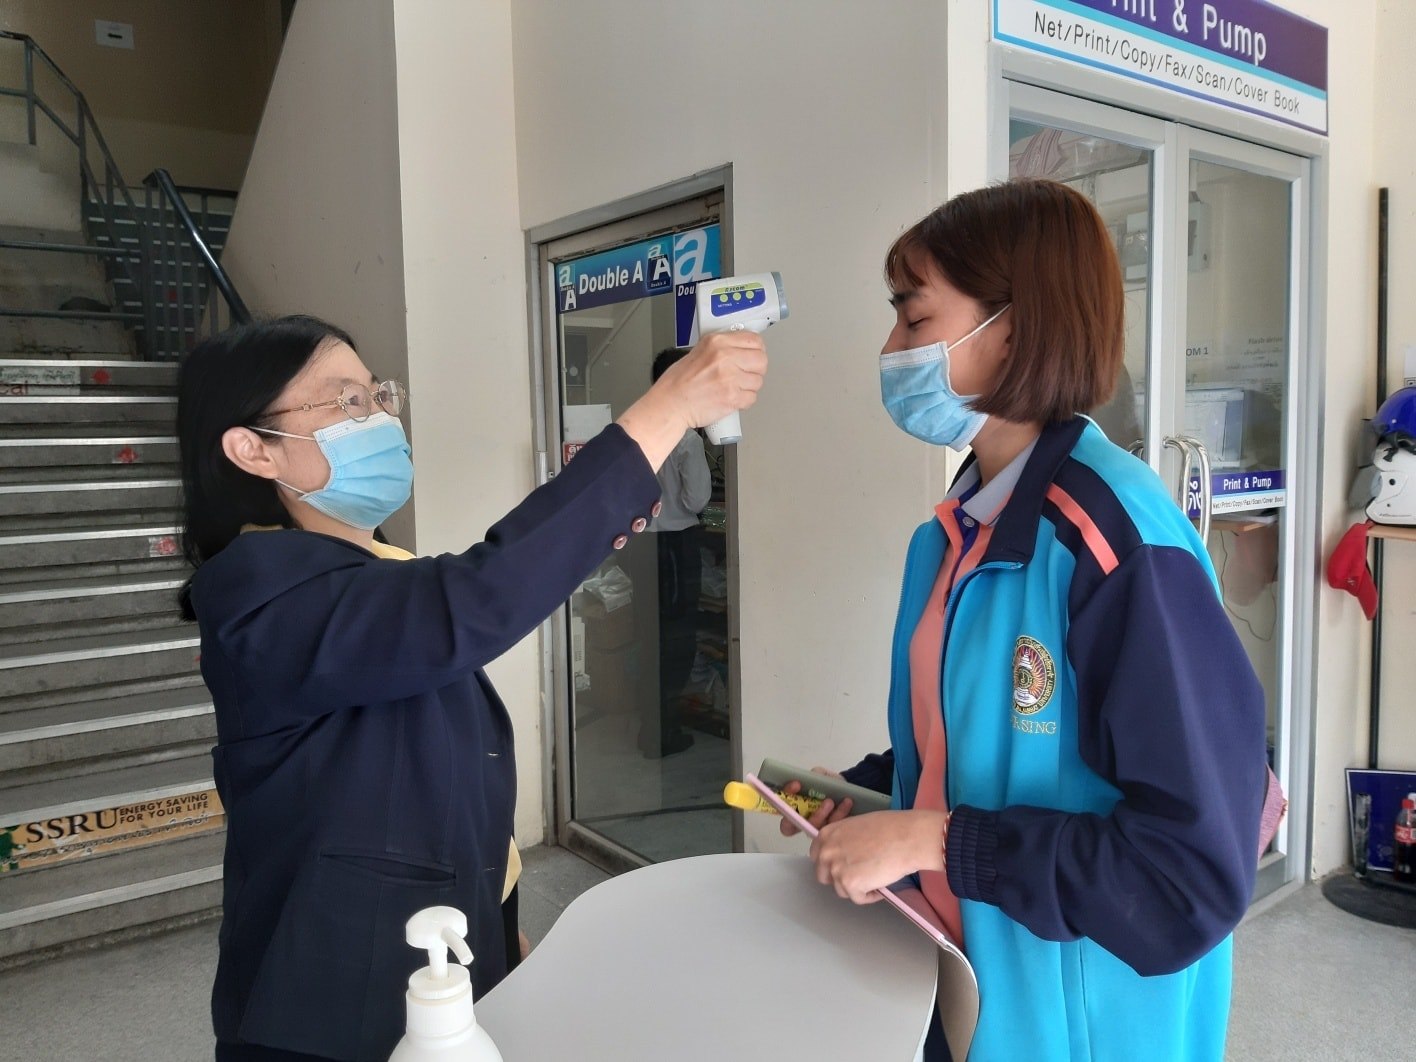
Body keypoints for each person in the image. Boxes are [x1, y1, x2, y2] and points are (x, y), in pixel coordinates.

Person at [177, 314, 766, 1062]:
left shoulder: (373, 567)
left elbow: (432, 781)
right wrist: (668, 407)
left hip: (442, 954)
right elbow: (478, 598)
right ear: (252, 449)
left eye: (379, 396)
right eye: (348, 401)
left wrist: (494, 925)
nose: (380, 418)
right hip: (331, 1003)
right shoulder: (258, 594)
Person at [782, 179, 1266, 1062]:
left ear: (1013, 328)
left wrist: (932, 839)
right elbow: (986, 744)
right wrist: (872, 795)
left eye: (913, 319)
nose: (889, 350)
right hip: (967, 982)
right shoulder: (955, 532)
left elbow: (1185, 878)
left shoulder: (1117, 544)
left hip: (1082, 1029)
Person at [642, 346, 714, 758]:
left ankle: (650, 725)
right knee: (678, 637)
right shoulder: (686, 438)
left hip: (644, 544)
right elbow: (697, 500)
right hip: (677, 543)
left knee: (652, 635)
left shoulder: (639, 427)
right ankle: (665, 731)